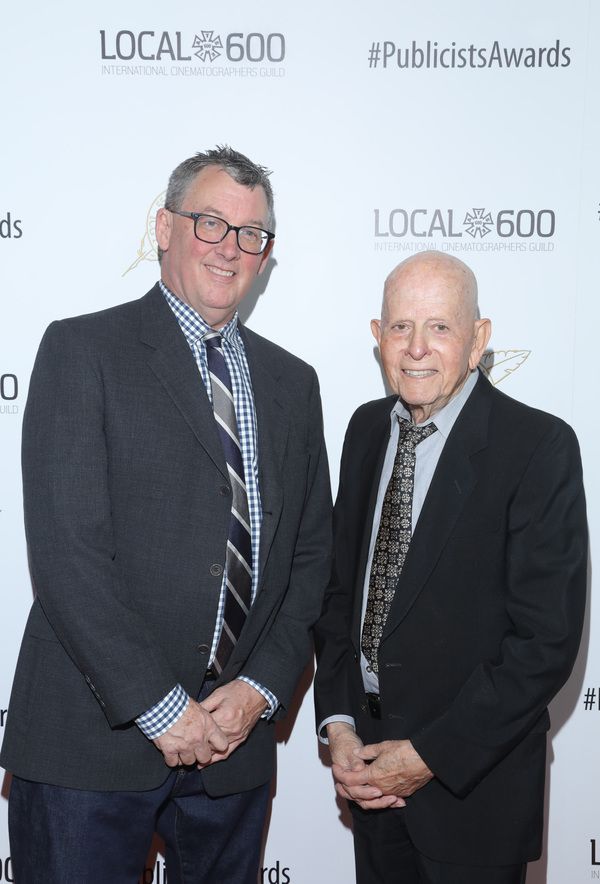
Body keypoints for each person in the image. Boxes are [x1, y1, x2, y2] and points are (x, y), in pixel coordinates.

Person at [1, 146, 332, 883]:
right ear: (164, 227)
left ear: (266, 255)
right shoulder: (83, 350)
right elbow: (67, 559)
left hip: (233, 756)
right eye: (210, 223)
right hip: (90, 747)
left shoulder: (292, 383)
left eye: (252, 234)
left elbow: (311, 562)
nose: (230, 247)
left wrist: (257, 694)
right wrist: (161, 708)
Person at [314, 250, 587, 884]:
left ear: (478, 341)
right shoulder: (363, 432)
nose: (416, 348)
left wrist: (429, 755)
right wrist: (341, 726)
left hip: (474, 799)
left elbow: (545, 642)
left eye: (439, 326)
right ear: (377, 337)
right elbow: (338, 596)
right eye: (400, 327)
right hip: (372, 786)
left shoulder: (537, 448)